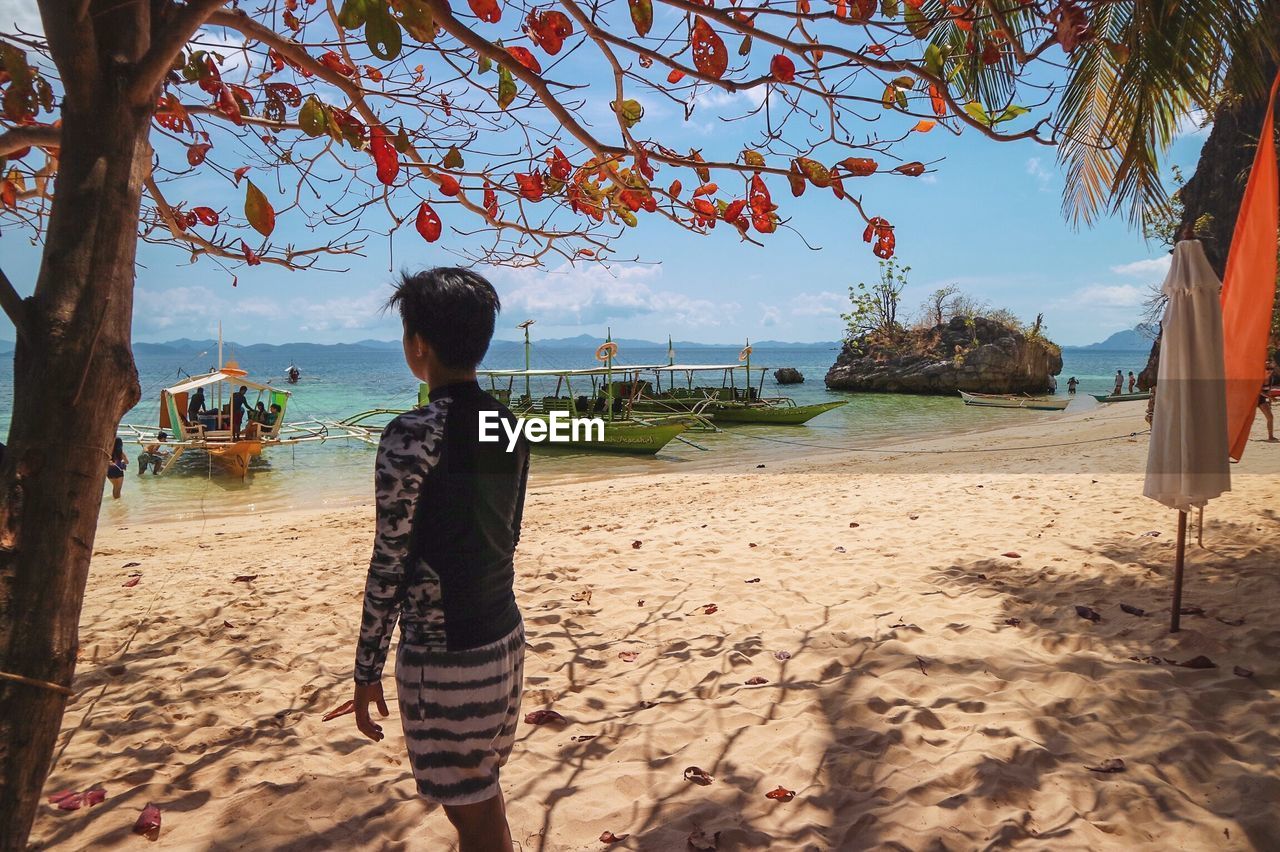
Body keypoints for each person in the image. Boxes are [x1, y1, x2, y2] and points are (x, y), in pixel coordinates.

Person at [351, 268, 529, 852]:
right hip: (503, 637)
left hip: (445, 657)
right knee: (482, 792)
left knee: (470, 811)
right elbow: (507, 534)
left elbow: (390, 562)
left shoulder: (410, 434)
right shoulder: (508, 425)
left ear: (418, 344)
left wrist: (365, 669)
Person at [1258, 359, 1279, 442]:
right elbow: (1258, 391)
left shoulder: (1271, 379)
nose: (1270, 371)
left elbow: (1268, 391)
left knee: (1270, 417)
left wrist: (1269, 402)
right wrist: (1271, 398)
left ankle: (1270, 437)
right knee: (1245, 420)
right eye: (1267, 369)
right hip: (1252, 401)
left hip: (1261, 400)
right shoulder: (1259, 379)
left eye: (1271, 369)